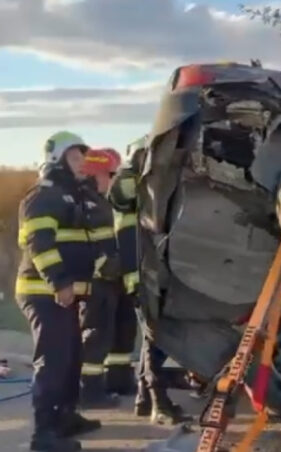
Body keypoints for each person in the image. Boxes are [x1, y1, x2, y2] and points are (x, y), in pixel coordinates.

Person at [16, 131, 100, 451]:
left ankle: (65, 417)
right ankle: (43, 434)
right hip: (44, 292)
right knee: (52, 361)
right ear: (56, 159)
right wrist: (60, 283)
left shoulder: (69, 195)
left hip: (62, 295)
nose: (82, 163)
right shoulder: (43, 196)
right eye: (75, 157)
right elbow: (39, 243)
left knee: (70, 358)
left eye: (82, 157)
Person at [108, 144, 188, 425]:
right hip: (141, 275)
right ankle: (159, 403)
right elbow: (121, 196)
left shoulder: (144, 190)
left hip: (149, 272)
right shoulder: (127, 186)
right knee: (156, 338)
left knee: (152, 338)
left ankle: (145, 397)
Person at [77, 148, 134, 408]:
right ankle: (88, 391)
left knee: (120, 331)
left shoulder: (105, 202)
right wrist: (106, 264)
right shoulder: (84, 203)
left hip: (112, 278)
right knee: (95, 336)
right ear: (95, 174)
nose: (113, 180)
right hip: (96, 280)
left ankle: (118, 380)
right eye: (110, 175)